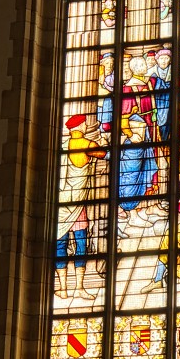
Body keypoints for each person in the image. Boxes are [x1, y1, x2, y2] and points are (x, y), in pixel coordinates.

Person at [56, 114, 107, 301]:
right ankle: (79, 287)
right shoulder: (86, 144)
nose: (87, 126)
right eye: (85, 124)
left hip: (61, 204)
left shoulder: (62, 148)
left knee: (59, 245)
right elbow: (103, 153)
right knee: (81, 244)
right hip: (77, 204)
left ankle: (63, 288)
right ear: (81, 126)